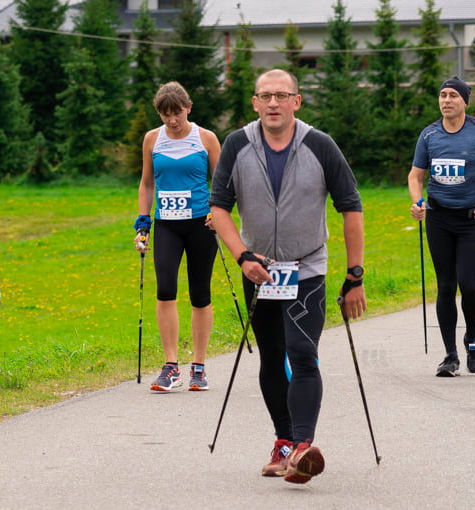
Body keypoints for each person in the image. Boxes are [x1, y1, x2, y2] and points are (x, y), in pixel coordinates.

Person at [209, 69, 366, 484]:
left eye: (282, 95)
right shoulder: (236, 144)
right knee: (271, 356)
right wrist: (242, 256)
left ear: (297, 101)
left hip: (307, 267)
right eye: (266, 96)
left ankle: (302, 447)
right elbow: (219, 209)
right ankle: (282, 441)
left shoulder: (320, 145)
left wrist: (355, 275)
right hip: (257, 270)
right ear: (255, 103)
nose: (273, 103)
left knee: (301, 351)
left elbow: (351, 206)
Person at [408, 76, 475, 377]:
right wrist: (417, 202)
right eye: (443, 95)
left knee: (470, 287)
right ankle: (450, 355)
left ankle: (471, 338)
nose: (446, 100)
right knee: (446, 286)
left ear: (464, 101)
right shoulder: (429, 135)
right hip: (438, 218)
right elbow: (415, 176)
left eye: (453, 96)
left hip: (469, 219)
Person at [135, 82, 221, 392]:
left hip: (201, 223)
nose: (172, 120)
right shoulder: (152, 139)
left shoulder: (206, 138)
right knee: (165, 290)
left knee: (200, 294)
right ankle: (171, 367)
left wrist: (218, 214)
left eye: (177, 113)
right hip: (167, 224)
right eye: (165, 114)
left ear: (189, 107)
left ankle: (198, 366)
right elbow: (147, 184)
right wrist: (143, 223)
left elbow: (223, 183)